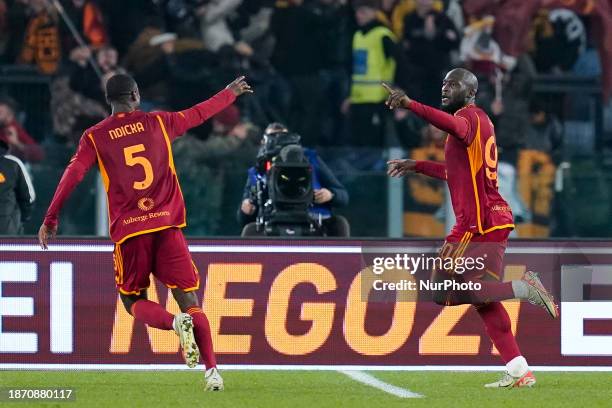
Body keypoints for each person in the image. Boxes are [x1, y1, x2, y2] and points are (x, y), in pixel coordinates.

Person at [38, 73, 253, 391]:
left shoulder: (94, 137)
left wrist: (51, 218)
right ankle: (212, 372)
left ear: (108, 101)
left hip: (130, 232)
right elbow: (198, 114)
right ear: (136, 95)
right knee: (190, 300)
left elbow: (74, 174)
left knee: (132, 299)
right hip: (167, 225)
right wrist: (228, 93)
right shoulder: (159, 123)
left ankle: (173, 324)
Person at [383, 68, 558, 388]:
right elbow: (458, 173)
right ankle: (519, 370)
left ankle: (523, 288)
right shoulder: (480, 123)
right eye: (444, 83)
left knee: (439, 288)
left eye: (453, 83)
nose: (445, 87)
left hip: (475, 225)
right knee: (482, 298)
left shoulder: (469, 118)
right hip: (493, 220)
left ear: (471, 91)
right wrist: (416, 166)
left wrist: (411, 105)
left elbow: (452, 124)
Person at [238, 122, 350, 237]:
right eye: (273, 137)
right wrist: (246, 209)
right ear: (264, 142)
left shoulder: (311, 161)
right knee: (249, 230)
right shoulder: (258, 171)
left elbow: (343, 196)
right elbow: (243, 215)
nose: (279, 142)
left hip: (314, 220)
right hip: (273, 222)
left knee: (339, 224)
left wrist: (330, 195)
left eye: (283, 137)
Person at [0, 139, 35, 235]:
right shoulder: (13, 163)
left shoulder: (13, 163)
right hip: (8, 234)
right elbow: (29, 198)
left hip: (8, 233)